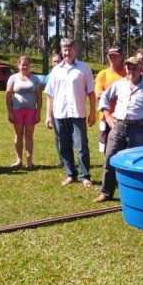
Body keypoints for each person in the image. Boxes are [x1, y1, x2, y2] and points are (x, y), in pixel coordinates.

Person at [93, 56, 143, 203]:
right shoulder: (119, 84)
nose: (131, 71)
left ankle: (134, 194)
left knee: (135, 162)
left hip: (138, 129)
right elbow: (104, 98)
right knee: (109, 159)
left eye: (134, 68)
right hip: (118, 126)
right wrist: (107, 116)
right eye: (129, 68)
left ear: (140, 70)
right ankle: (106, 192)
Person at [45, 38, 97, 187]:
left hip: (78, 113)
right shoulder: (56, 70)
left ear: (75, 50)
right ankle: (70, 174)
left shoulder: (84, 68)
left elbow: (91, 93)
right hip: (60, 114)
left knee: (81, 146)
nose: (67, 52)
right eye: (65, 49)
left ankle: (85, 175)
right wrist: (48, 115)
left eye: (70, 49)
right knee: (64, 146)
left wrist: (93, 113)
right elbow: (50, 94)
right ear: (62, 51)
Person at [6, 56, 43, 170]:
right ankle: (19, 160)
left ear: (29, 65)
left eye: (27, 64)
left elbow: (39, 97)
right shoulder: (13, 78)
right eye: (22, 64)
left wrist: (38, 112)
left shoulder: (35, 78)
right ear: (19, 65)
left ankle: (29, 161)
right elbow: (8, 96)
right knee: (18, 136)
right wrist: (9, 112)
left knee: (29, 136)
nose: (25, 67)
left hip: (31, 111)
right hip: (17, 111)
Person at [94, 45, 127, 152]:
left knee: (123, 147)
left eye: (115, 56)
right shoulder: (102, 74)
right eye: (110, 56)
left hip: (124, 117)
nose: (112, 58)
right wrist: (115, 96)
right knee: (107, 149)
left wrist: (107, 95)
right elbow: (98, 95)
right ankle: (107, 168)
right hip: (106, 118)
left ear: (121, 57)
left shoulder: (127, 74)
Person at [46, 53, 64, 167]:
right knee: (58, 136)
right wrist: (48, 114)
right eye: (54, 62)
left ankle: (67, 157)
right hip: (54, 109)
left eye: (58, 61)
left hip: (66, 109)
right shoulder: (49, 76)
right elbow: (49, 95)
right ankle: (61, 159)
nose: (56, 63)